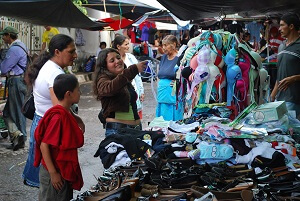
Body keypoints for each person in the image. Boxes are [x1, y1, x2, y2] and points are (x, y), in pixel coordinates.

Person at [22, 34, 85, 187]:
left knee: (47, 186)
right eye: (71, 52)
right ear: (57, 52)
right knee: (52, 184)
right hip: (50, 129)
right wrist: (76, 120)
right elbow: (60, 108)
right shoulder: (55, 73)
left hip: (42, 122)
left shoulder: (49, 66)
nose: (75, 55)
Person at [33, 74, 83, 201]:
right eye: (78, 90)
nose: (80, 92)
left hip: (61, 169)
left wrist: (77, 119)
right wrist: (53, 173)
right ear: (68, 94)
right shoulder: (58, 118)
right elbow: (44, 145)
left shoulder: (65, 112)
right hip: (55, 171)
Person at [93, 48, 147, 137]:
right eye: (112, 60)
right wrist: (133, 69)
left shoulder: (124, 79)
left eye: (118, 58)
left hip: (136, 130)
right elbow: (110, 88)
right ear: (104, 66)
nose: (117, 61)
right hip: (118, 132)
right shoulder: (102, 80)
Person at [0, 26, 27, 151]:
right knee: (7, 112)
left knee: (17, 110)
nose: (3, 38)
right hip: (20, 81)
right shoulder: (22, 46)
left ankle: (21, 137)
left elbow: (4, 69)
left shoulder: (14, 49)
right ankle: (17, 134)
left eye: (4, 35)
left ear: (9, 35)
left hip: (15, 81)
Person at [270, 13, 300, 119]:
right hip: (280, 99)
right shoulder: (281, 47)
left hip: (294, 99)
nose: (279, 29)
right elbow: (280, 74)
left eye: (282, 25)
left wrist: (295, 78)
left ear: (291, 26)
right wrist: (272, 96)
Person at [112, 35, 145, 119]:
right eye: (126, 44)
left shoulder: (131, 58)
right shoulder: (112, 59)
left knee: (135, 117)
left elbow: (138, 76)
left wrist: (141, 91)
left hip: (133, 91)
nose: (128, 46)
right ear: (118, 46)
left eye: (128, 44)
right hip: (119, 93)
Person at [156, 35, 183, 121]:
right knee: (162, 119)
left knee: (173, 119)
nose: (163, 48)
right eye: (162, 45)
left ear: (174, 44)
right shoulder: (163, 57)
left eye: (166, 45)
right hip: (162, 93)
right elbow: (160, 73)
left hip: (173, 95)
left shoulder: (180, 58)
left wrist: (178, 83)